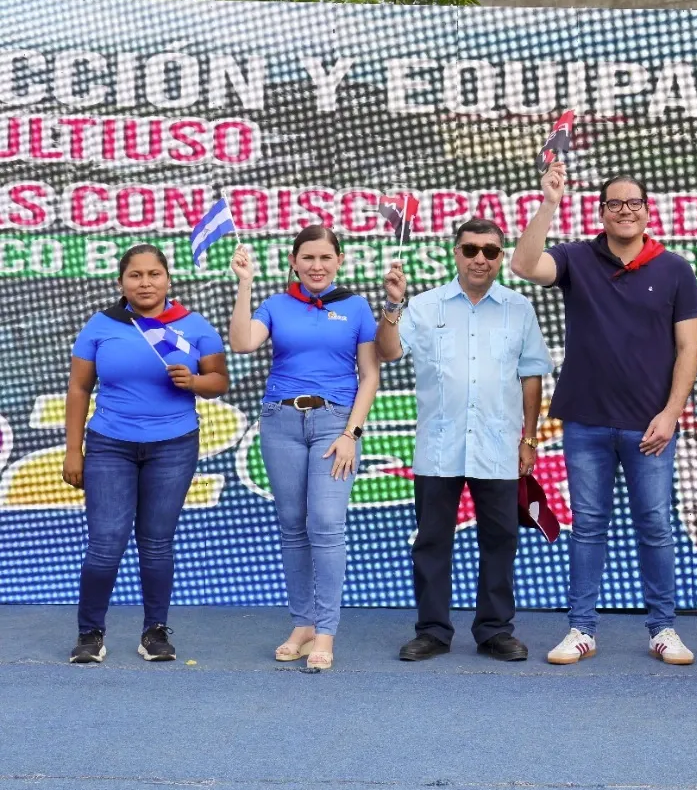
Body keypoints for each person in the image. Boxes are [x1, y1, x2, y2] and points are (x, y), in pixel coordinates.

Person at [510, 161, 697, 667]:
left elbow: (689, 349)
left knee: (656, 526)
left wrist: (671, 414)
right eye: (614, 203)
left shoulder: (676, 268)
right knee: (589, 526)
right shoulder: (576, 258)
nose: (624, 211)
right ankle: (582, 628)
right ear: (600, 212)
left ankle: (663, 628)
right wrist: (549, 201)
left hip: (650, 427)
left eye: (633, 203)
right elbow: (524, 266)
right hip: (587, 422)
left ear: (646, 210)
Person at [377, 219, 554, 663]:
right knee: (432, 542)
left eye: (490, 252)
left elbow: (531, 375)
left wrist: (529, 438)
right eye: (470, 249)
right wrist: (392, 304)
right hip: (439, 445)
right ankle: (433, 631)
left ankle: (495, 630)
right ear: (455, 252)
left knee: (500, 540)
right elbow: (387, 351)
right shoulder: (423, 305)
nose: (480, 258)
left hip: (497, 446)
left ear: (500, 257)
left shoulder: (520, 308)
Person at [63, 244, 230, 663]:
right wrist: (73, 451)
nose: (145, 283)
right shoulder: (102, 325)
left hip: (173, 445)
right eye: (135, 275)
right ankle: (90, 633)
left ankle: (155, 632)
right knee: (105, 544)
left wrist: (193, 381)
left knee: (156, 544)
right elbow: (79, 388)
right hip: (109, 445)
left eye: (154, 274)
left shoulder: (193, 324)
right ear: (121, 282)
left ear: (167, 279)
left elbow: (220, 381)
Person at [227, 227, 380, 670]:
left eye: (325, 257)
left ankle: (325, 633)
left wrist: (352, 433)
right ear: (293, 261)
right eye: (308, 258)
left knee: (327, 524)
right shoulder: (276, 304)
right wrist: (244, 283)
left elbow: (369, 375)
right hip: (280, 421)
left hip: (335, 422)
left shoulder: (355, 307)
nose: (317, 266)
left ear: (340, 260)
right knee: (293, 525)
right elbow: (241, 343)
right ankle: (303, 623)